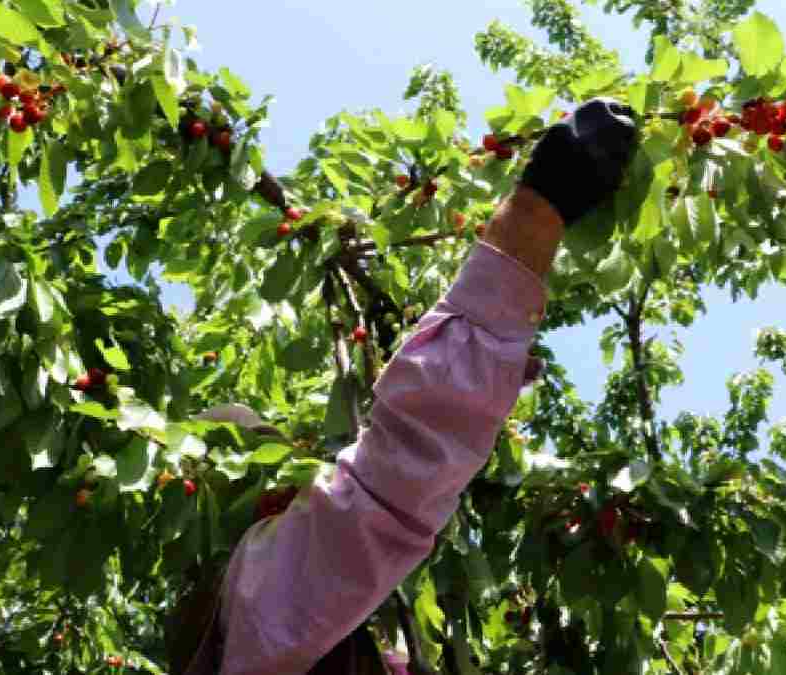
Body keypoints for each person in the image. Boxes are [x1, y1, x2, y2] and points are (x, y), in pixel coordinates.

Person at [176, 98, 638, 675]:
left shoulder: (282, 635)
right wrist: (536, 212)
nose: (303, 490)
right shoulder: (257, 593)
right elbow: (391, 481)